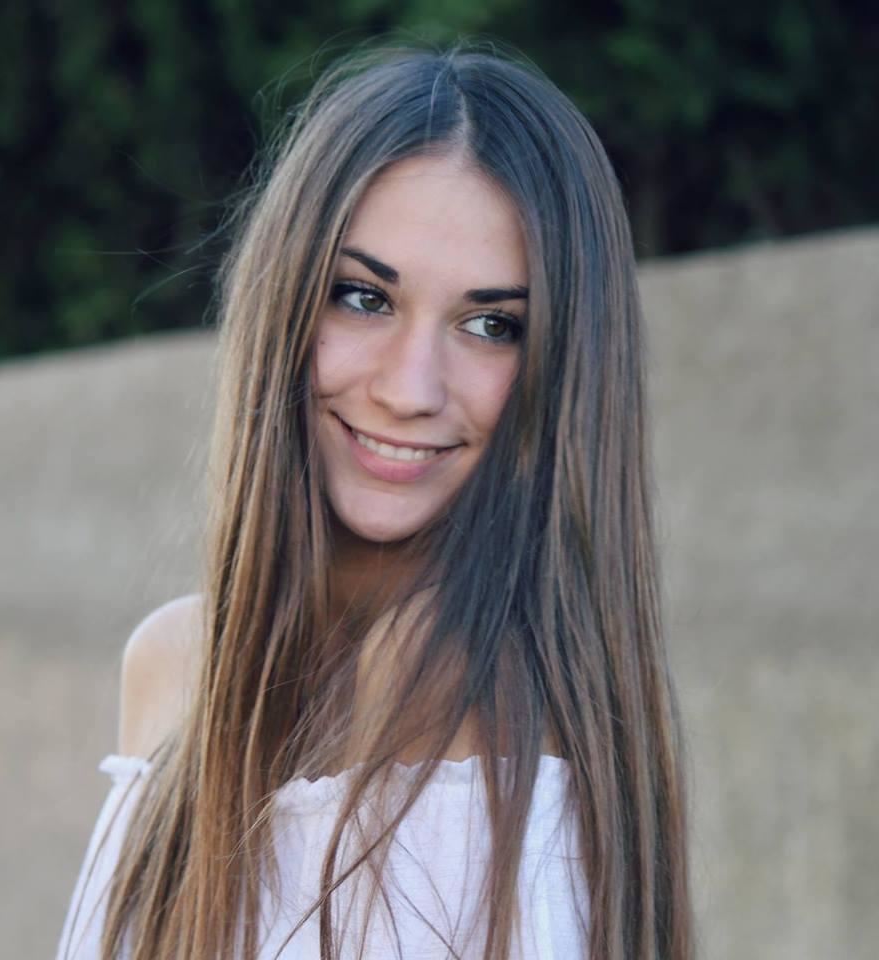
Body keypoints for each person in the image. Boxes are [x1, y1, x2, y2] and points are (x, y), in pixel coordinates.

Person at [56, 42, 691, 960]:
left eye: (491, 325)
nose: (409, 388)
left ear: (565, 369)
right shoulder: (172, 662)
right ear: (284, 304)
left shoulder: (498, 731)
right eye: (363, 298)